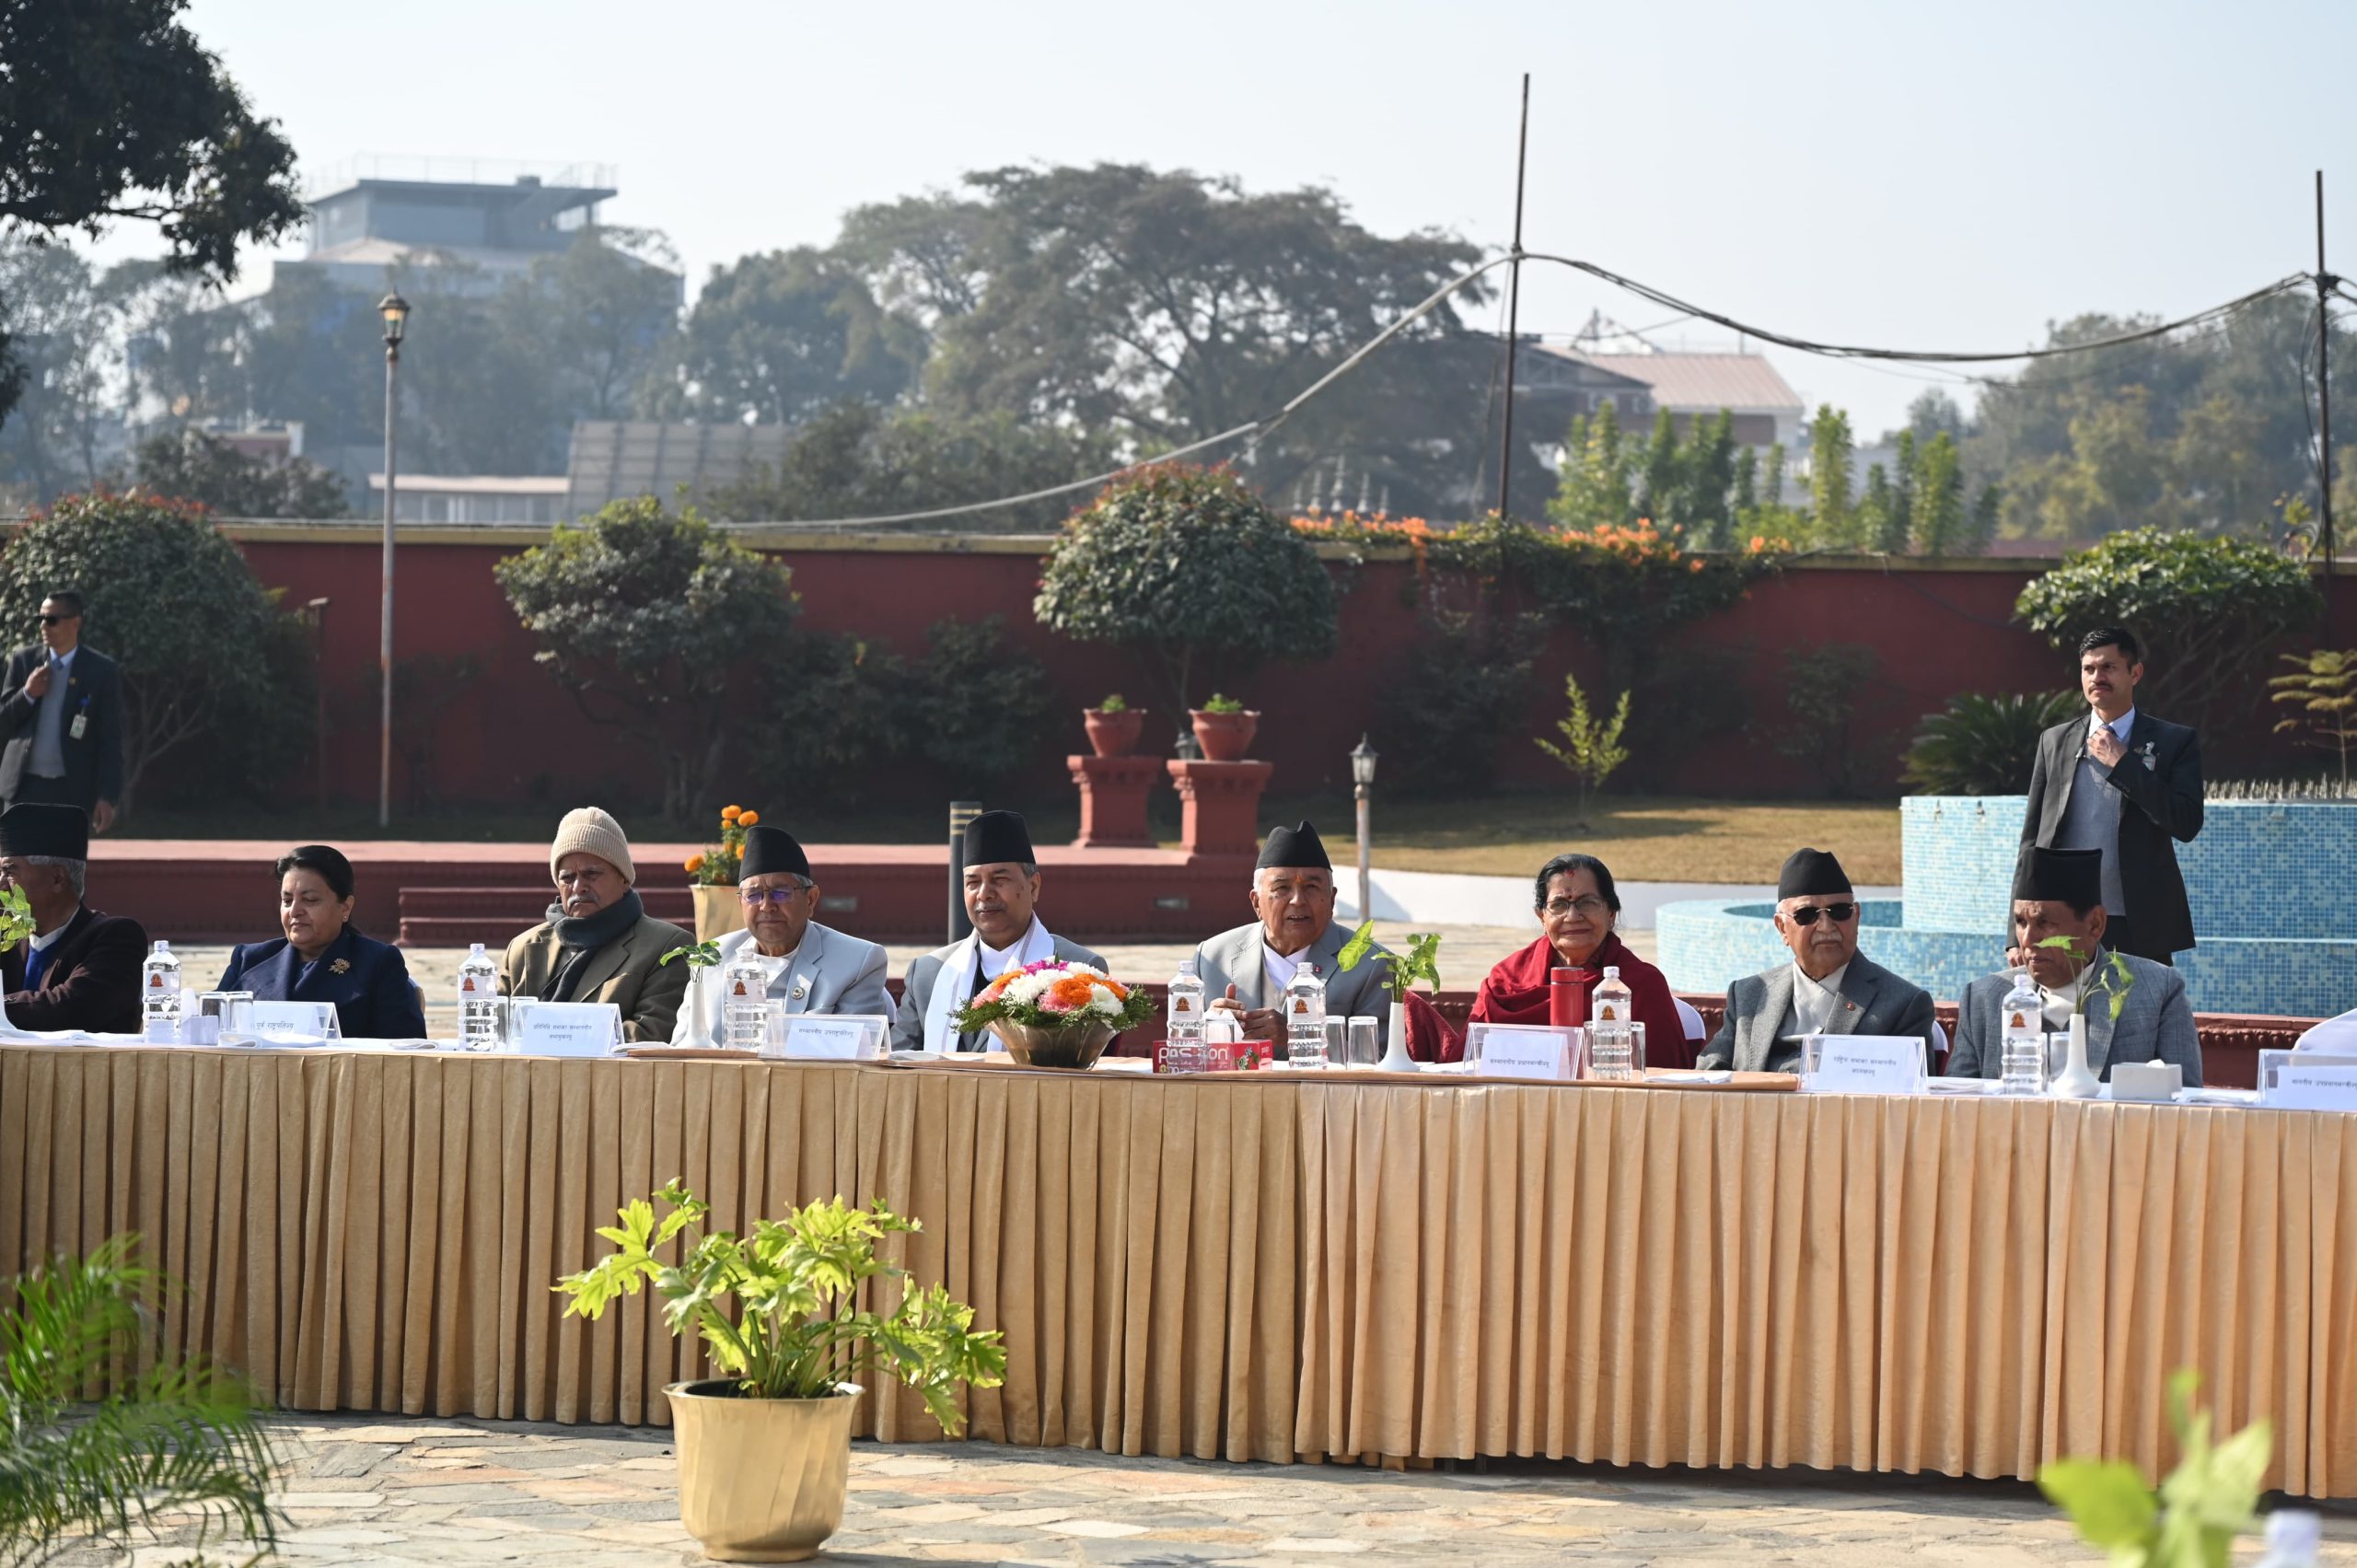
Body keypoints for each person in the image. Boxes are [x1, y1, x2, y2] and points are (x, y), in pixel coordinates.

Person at [2020, 627, 2202, 966]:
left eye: (2108, 667)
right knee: (2066, 1003)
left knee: (2140, 1002)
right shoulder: (2054, 741)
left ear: (2135, 673)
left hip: (2139, 923)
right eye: (2088, 669)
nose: (2097, 677)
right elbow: (2031, 842)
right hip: (2064, 919)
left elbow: (2186, 823)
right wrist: (2016, 934)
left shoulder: (2175, 741)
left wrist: (2124, 764)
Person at [1949, 845, 2201, 1085]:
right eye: (2021, 922)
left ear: (2095, 925)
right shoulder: (1983, 999)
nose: (2027, 940)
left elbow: (2184, 1101)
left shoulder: (2157, 991)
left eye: (2045, 923)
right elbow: (1953, 1103)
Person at [1697, 847, 1935, 1074]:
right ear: (1782, 928)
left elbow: (1910, 1096)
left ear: (1857, 917)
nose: (1826, 926)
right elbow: (1709, 1071)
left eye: (1840, 911)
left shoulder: (1903, 1004)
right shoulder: (1749, 995)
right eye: (1806, 915)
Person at [893, 810, 1104, 1052]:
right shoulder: (929, 973)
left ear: (1033, 886)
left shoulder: (1077, 970)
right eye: (973, 883)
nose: (984, 894)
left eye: (999, 879)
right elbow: (898, 1063)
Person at [671, 824, 890, 1043]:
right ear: (740, 904)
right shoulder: (710, 960)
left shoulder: (856, 962)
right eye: (753, 895)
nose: (767, 906)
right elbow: (680, 1050)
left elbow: (853, 1052)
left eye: (781, 893)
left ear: (810, 899)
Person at [1473, 852, 1691, 1070]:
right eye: (1559, 905)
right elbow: (1466, 1066)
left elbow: (1665, 1077)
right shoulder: (1504, 981)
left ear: (1611, 914)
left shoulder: (1642, 984)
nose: (1572, 916)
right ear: (1542, 917)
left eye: (1587, 903)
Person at [1196, 820, 1394, 1056]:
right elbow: (1185, 1052)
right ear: (1256, 902)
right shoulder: (1211, 958)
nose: (1298, 900)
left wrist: (1299, 1036)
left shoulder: (1371, 964)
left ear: (1331, 900)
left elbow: (1377, 1057)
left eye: (1311, 887)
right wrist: (1209, 1030)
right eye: (1282, 888)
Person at [499, 807, 692, 1042]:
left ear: (624, 879)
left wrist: (557, 1038)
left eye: (591, 874)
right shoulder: (522, 948)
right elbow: (491, 1029)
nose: (578, 887)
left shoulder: (666, 946)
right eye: (567, 877)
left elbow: (651, 1034)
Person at [214, 844, 427, 1040]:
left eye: (310, 900)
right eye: (287, 901)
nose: (294, 911)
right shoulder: (249, 959)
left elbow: (407, 1050)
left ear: (345, 907)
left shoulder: (377, 963)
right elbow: (210, 1034)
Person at [0, 802, 144, 1032]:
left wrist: (2, 1004)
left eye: (9, 871)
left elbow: (71, 1007)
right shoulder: (6, 937)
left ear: (57, 878)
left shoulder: (117, 936)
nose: (1, 884)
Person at [0, 590, 124, 831]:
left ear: (75, 623)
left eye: (52, 620)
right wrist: (27, 693)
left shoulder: (101, 671)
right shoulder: (24, 661)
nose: (43, 626)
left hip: (72, 792)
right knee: (18, 857)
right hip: (23, 789)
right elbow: (3, 721)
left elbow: (110, 740)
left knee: (64, 857)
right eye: (41, 619)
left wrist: (107, 795)